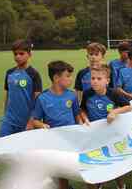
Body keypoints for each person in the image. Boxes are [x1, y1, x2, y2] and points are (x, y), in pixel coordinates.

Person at [80, 64, 132, 189]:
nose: (95, 81)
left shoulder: (113, 93)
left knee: (113, 161)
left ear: (107, 81)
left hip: (111, 134)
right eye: (93, 78)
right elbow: (82, 109)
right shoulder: (87, 93)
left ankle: (121, 184)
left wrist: (115, 112)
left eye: (99, 78)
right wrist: (84, 118)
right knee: (96, 160)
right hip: (94, 134)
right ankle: (99, 182)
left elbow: (129, 107)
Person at [32, 61, 82, 189]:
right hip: (54, 141)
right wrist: (42, 125)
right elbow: (35, 120)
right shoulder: (43, 98)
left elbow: (77, 114)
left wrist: (81, 128)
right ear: (56, 78)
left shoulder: (71, 95)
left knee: (73, 166)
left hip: (72, 138)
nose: (71, 79)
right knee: (60, 170)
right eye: (68, 76)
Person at [0, 39, 42, 137]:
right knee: (2, 146)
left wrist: (31, 121)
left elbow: (38, 100)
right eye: (15, 54)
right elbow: (7, 95)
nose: (17, 57)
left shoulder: (34, 74)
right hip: (9, 121)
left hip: (26, 122)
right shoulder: (9, 73)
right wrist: (5, 115)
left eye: (21, 54)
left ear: (30, 54)